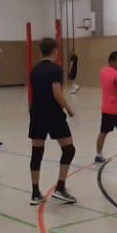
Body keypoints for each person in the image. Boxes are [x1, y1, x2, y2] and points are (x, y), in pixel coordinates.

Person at [28, 37, 78, 205]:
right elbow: (57, 93)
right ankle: (60, 188)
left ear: (40, 51)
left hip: (36, 114)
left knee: (37, 153)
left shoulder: (34, 71)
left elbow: (33, 95)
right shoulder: (55, 70)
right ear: (55, 51)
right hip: (53, 115)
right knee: (69, 149)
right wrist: (69, 109)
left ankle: (35, 192)